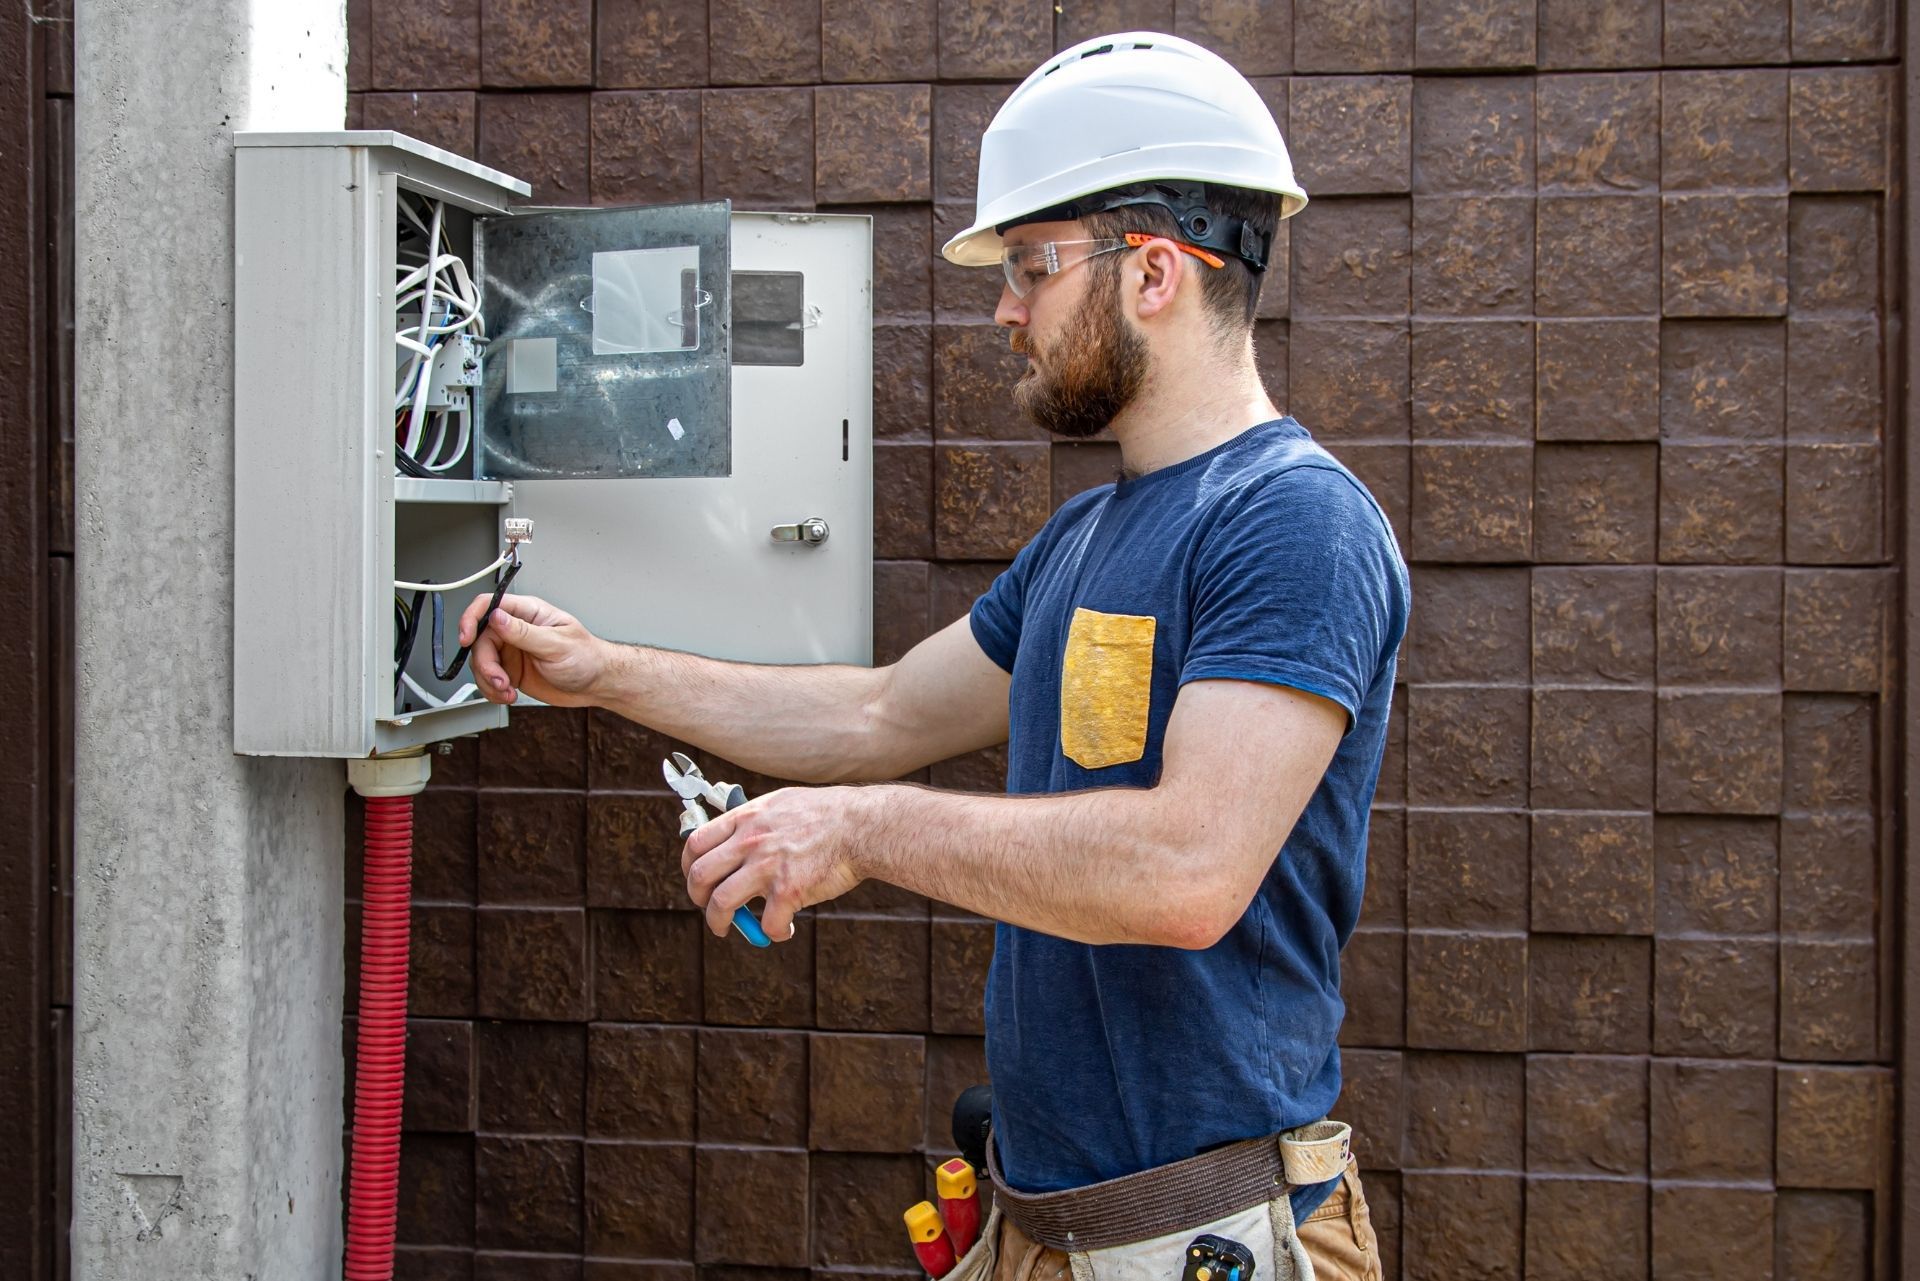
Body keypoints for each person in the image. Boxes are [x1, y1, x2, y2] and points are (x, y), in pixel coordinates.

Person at [461, 31, 1408, 1281]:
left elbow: (1188, 868)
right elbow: (880, 716)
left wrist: (860, 834)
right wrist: (604, 671)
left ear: (1156, 271)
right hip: (1047, 1227)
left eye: (1030, 266)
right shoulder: (1090, 535)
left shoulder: (1292, 520)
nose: (1005, 309)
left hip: (1203, 1242)